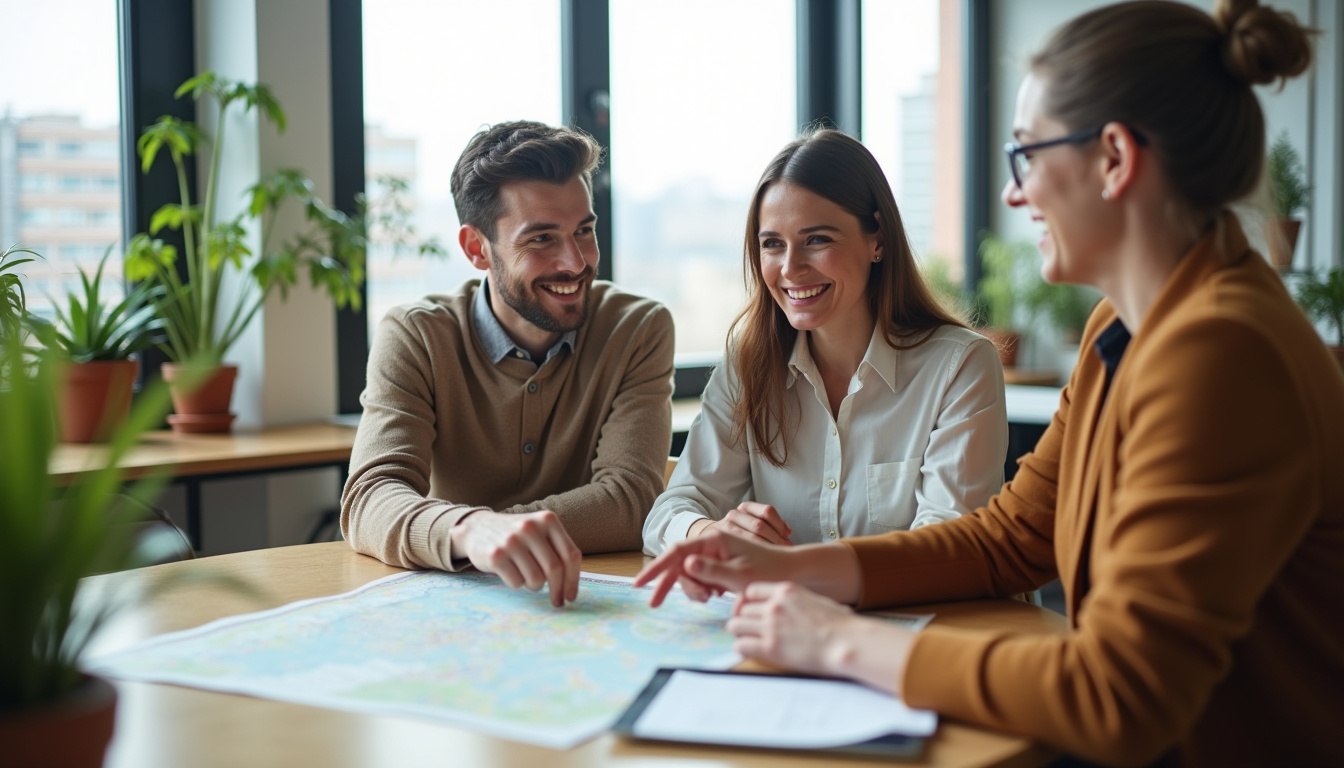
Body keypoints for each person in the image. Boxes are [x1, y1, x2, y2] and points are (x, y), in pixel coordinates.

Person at [635, 2, 1344, 765]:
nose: (1014, 195)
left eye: (1026, 158)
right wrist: (788, 568)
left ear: (1113, 159)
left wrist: (840, 642)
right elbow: (1009, 540)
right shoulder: (1128, 327)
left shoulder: (1219, 349)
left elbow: (1120, 694)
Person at [343, 121, 674, 607]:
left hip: (583, 599)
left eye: (584, 230)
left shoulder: (638, 327)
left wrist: (490, 529)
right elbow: (370, 498)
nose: (575, 261)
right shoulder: (416, 334)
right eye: (541, 239)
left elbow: (629, 501)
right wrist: (473, 530)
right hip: (449, 603)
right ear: (477, 249)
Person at [642, 130, 1006, 555]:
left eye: (817, 240)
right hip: (779, 617)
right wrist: (708, 532)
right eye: (773, 244)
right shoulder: (747, 366)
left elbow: (946, 550)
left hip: (911, 620)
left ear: (878, 240)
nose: (791, 268)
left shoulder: (960, 367)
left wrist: (805, 571)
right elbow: (669, 513)